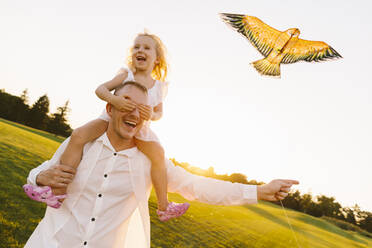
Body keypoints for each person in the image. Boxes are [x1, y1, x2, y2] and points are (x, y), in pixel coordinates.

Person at [24, 81, 299, 248]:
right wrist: (41, 178)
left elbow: (196, 185)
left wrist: (258, 191)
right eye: (127, 104)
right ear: (109, 108)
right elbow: (39, 172)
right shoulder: (83, 142)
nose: (134, 113)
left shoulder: (150, 161)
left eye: (142, 109)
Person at [24, 32, 189, 221]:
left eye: (146, 47)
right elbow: (100, 89)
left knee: (158, 154)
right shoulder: (126, 74)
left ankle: (164, 206)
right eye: (136, 47)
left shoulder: (159, 86)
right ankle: (57, 191)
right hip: (109, 122)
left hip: (139, 129)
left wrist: (151, 114)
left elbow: (159, 113)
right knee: (78, 135)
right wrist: (114, 100)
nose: (140, 50)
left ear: (157, 59)